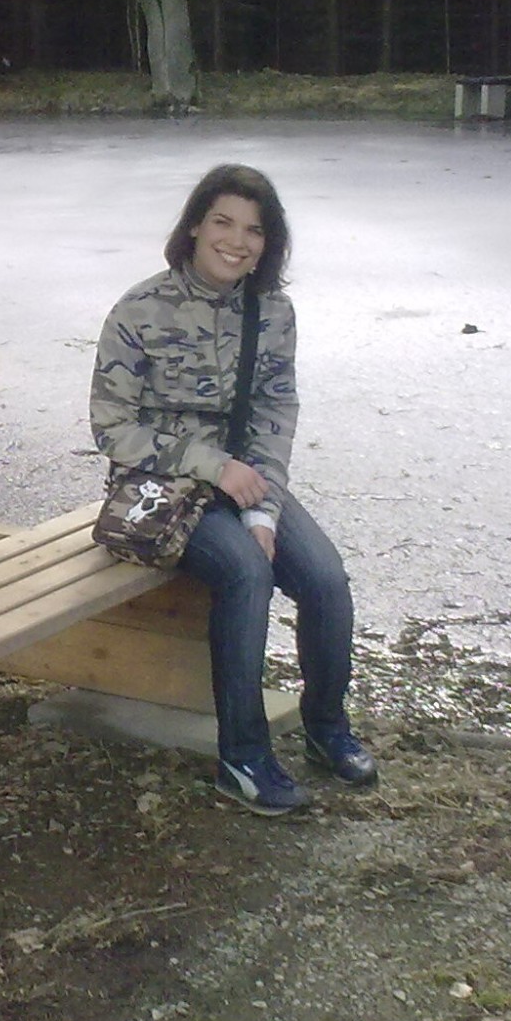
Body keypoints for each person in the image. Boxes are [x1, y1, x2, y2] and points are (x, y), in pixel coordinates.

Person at [90, 164, 375, 815]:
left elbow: (276, 413)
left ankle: (326, 726)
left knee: (325, 579)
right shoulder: (139, 309)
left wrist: (265, 509)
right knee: (247, 573)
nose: (237, 241)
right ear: (195, 225)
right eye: (223, 222)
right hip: (161, 486)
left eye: (254, 230)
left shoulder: (272, 312)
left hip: (248, 480)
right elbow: (112, 428)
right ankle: (242, 758)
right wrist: (211, 466)